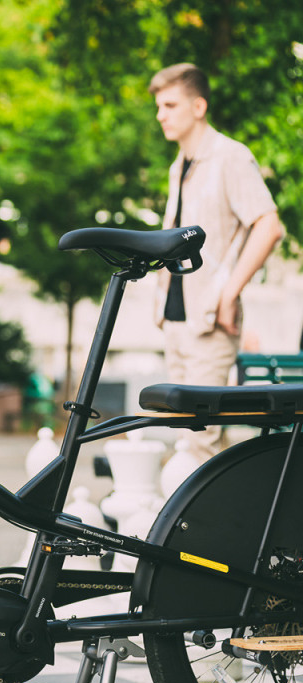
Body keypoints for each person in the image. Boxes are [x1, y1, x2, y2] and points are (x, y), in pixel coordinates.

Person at [150, 63, 283, 462]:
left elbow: (269, 225)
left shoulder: (230, 157)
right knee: (194, 438)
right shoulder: (180, 164)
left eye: (170, 105)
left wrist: (229, 294)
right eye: (158, 106)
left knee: (198, 439)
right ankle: (235, 522)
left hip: (209, 321)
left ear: (199, 106)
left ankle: (210, 526)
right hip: (176, 320)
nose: (161, 115)